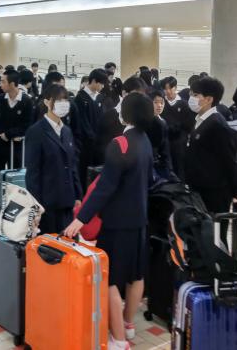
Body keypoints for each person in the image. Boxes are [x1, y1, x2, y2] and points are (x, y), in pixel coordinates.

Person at [64, 93, 156, 350]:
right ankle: (128, 324)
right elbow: (149, 180)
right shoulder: (145, 141)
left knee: (109, 279)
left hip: (116, 223)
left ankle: (118, 339)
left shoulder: (120, 143)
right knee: (136, 275)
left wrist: (80, 219)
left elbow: (105, 187)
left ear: (127, 113)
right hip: (139, 220)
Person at [183, 76, 237, 243]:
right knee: (202, 238)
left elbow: (230, 161)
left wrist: (236, 191)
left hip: (215, 193)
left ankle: (220, 260)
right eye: (191, 94)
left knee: (215, 239)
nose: (191, 98)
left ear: (209, 99)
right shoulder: (200, 120)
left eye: (195, 95)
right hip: (200, 190)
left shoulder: (217, 125)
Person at [25, 84, 82, 234]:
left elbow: (72, 164)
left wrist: (77, 194)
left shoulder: (67, 131)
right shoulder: (36, 131)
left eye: (65, 100)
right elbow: (32, 173)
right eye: (58, 100)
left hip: (67, 200)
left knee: (67, 242)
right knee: (49, 244)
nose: (63, 104)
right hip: (47, 202)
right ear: (47, 102)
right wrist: (36, 205)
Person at [0, 70, 35, 192]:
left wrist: (8, 134)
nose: (0, 84)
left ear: (12, 84)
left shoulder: (26, 101)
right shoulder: (0, 99)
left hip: (18, 146)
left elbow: (27, 125)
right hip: (0, 144)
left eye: (3, 81)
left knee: (16, 175)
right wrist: (1, 134)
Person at [74, 68, 108, 189]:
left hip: (98, 145)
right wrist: (92, 137)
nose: (102, 86)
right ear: (93, 81)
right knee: (85, 172)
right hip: (85, 144)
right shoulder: (80, 98)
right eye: (101, 83)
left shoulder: (100, 98)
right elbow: (82, 122)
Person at [160, 76, 193, 180]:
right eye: (165, 89)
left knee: (179, 169)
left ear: (176, 87)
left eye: (171, 88)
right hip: (164, 141)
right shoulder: (161, 104)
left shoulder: (184, 104)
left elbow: (188, 125)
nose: (168, 91)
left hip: (179, 143)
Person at [149, 89, 175, 182]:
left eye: (162, 102)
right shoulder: (147, 122)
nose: (159, 105)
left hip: (163, 164)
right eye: (156, 102)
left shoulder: (163, 121)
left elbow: (165, 147)